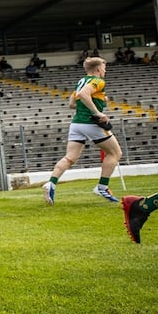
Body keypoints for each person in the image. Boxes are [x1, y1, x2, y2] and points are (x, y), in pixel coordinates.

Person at [42, 56, 123, 206]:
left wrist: (99, 99)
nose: (105, 70)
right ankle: (102, 187)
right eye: (104, 67)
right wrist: (97, 112)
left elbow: (72, 103)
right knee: (115, 153)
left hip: (77, 124)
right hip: (91, 123)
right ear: (98, 69)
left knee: (70, 157)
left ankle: (51, 183)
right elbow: (84, 95)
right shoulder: (98, 81)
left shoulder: (81, 81)